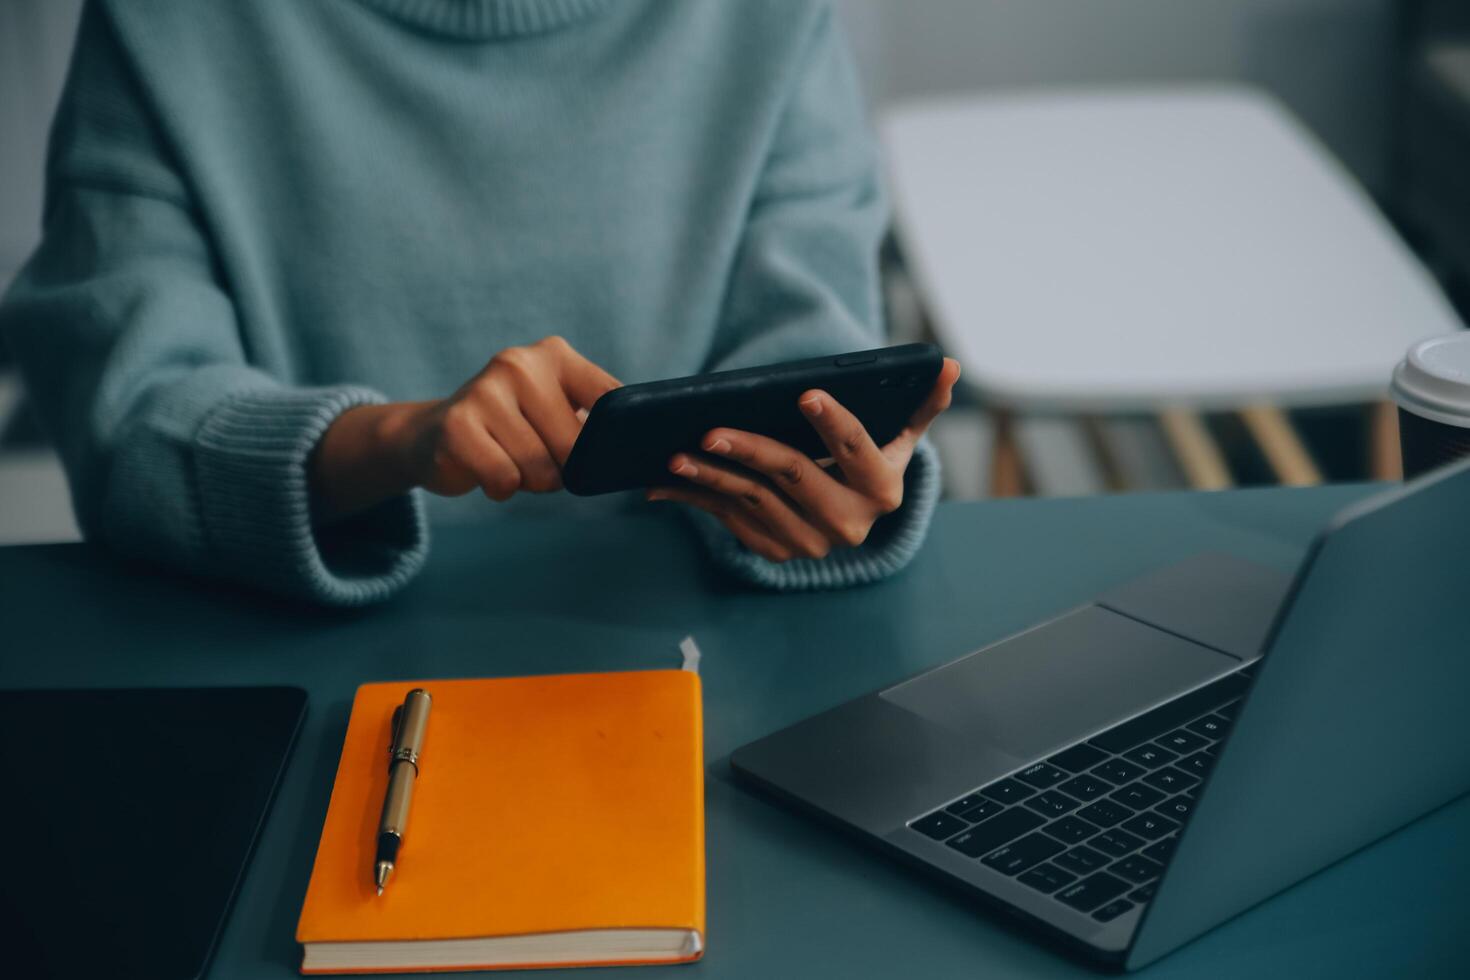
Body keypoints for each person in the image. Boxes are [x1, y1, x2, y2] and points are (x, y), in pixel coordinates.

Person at [0, 0, 959, 606]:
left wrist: (835, 479)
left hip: (687, 640)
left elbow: (811, 337)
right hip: (284, 659)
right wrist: (402, 441)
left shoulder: (773, 21)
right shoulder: (165, 24)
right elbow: (127, 427)